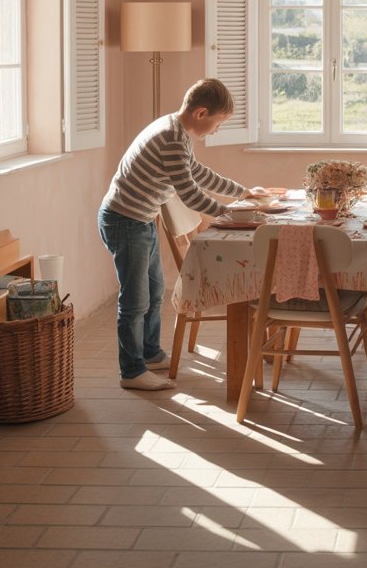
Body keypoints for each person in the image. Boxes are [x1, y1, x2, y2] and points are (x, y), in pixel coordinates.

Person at [99, 78, 255, 390]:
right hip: (125, 221)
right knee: (134, 299)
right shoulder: (171, 137)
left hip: (140, 220)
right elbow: (190, 195)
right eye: (218, 122)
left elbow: (198, 174)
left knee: (154, 290)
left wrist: (243, 192)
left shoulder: (177, 130)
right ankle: (131, 371)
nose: (216, 130)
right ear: (201, 112)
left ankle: (150, 352)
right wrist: (231, 212)